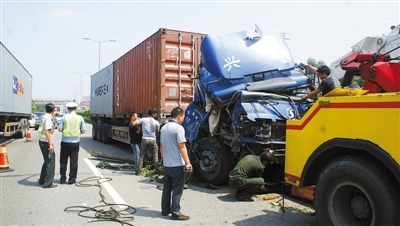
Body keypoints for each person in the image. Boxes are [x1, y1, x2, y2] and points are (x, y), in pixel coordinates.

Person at [160, 107, 191, 220]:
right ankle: (176, 213)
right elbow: (182, 146)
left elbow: (161, 146)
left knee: (167, 187)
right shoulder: (179, 128)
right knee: (177, 188)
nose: (183, 119)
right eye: (183, 117)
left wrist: (163, 160)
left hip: (167, 164)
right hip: (177, 164)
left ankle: (165, 210)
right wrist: (188, 163)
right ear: (179, 117)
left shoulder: (163, 128)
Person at [58, 102, 86, 184]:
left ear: (67, 109)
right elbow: (83, 130)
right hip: (75, 142)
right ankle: (72, 179)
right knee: (74, 162)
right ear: (76, 109)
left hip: (65, 142)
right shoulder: (80, 118)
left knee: (63, 161)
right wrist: (77, 133)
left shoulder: (64, 117)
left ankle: (62, 179)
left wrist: (65, 131)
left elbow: (59, 129)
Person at [132, 107, 160, 175]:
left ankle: (138, 171)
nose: (156, 115)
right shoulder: (156, 122)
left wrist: (138, 120)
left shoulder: (143, 120)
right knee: (155, 155)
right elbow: (157, 131)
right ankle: (157, 171)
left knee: (142, 156)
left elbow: (133, 124)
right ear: (153, 114)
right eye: (155, 114)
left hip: (144, 139)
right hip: (153, 139)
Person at [38, 103, 57, 188]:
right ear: (52, 110)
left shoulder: (44, 116)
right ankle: (48, 183)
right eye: (55, 109)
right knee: (50, 162)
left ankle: (42, 180)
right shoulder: (49, 118)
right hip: (46, 142)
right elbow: (47, 132)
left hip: (42, 141)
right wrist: (50, 145)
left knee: (47, 161)